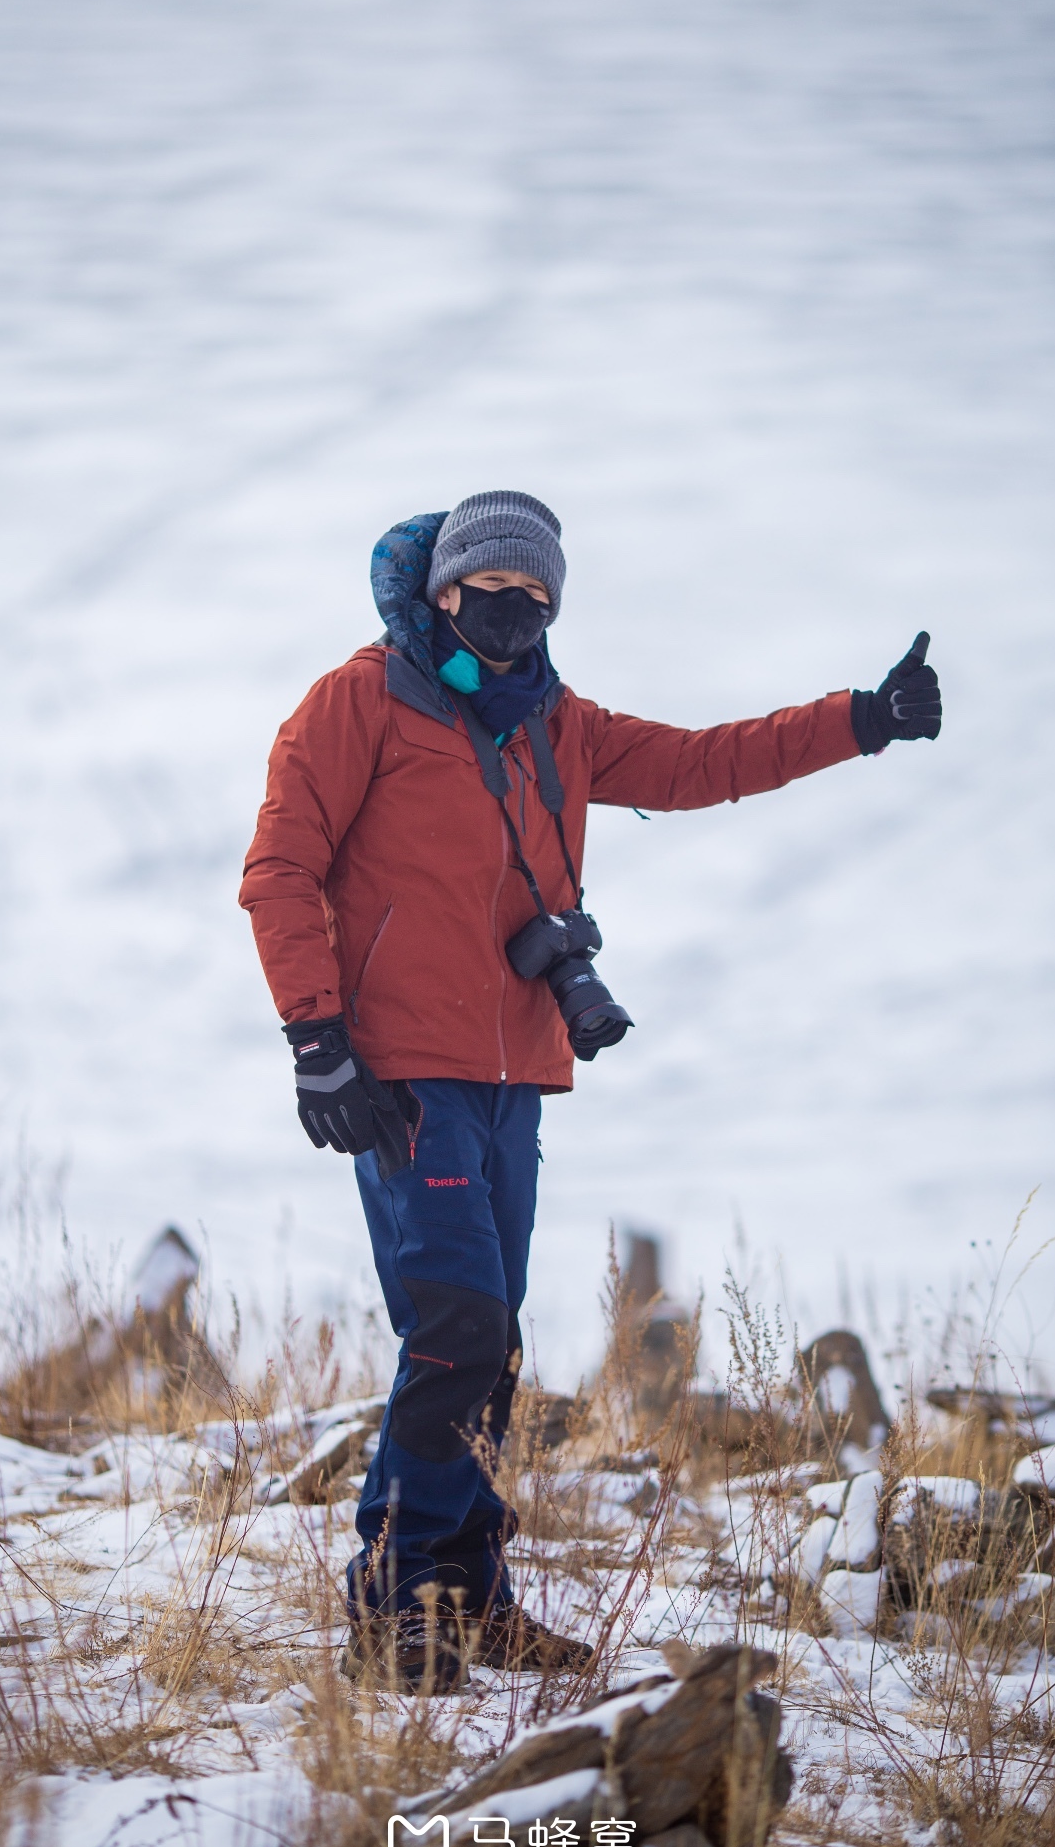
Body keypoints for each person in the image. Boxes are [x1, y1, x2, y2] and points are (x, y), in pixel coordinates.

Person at [240, 491, 941, 1690]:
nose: (514, 615)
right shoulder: (359, 698)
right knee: (456, 1325)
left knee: (489, 1341)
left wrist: (862, 720)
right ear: (444, 590)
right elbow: (280, 868)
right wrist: (319, 1040)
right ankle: (397, 1604)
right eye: (492, 592)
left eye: (538, 598)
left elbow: (702, 762)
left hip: (516, 1072)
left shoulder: (557, 723)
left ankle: (468, 1594)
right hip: (405, 1073)